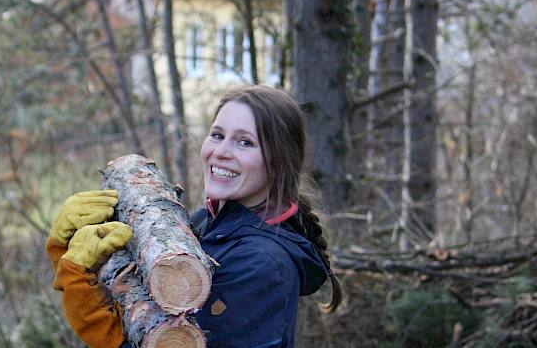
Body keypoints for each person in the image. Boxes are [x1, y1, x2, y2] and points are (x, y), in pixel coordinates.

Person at [46, 85, 342, 347]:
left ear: (278, 162)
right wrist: (70, 247)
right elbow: (139, 305)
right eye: (217, 135)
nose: (221, 152)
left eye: (245, 142)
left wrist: (81, 290)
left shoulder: (261, 265)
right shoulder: (207, 224)